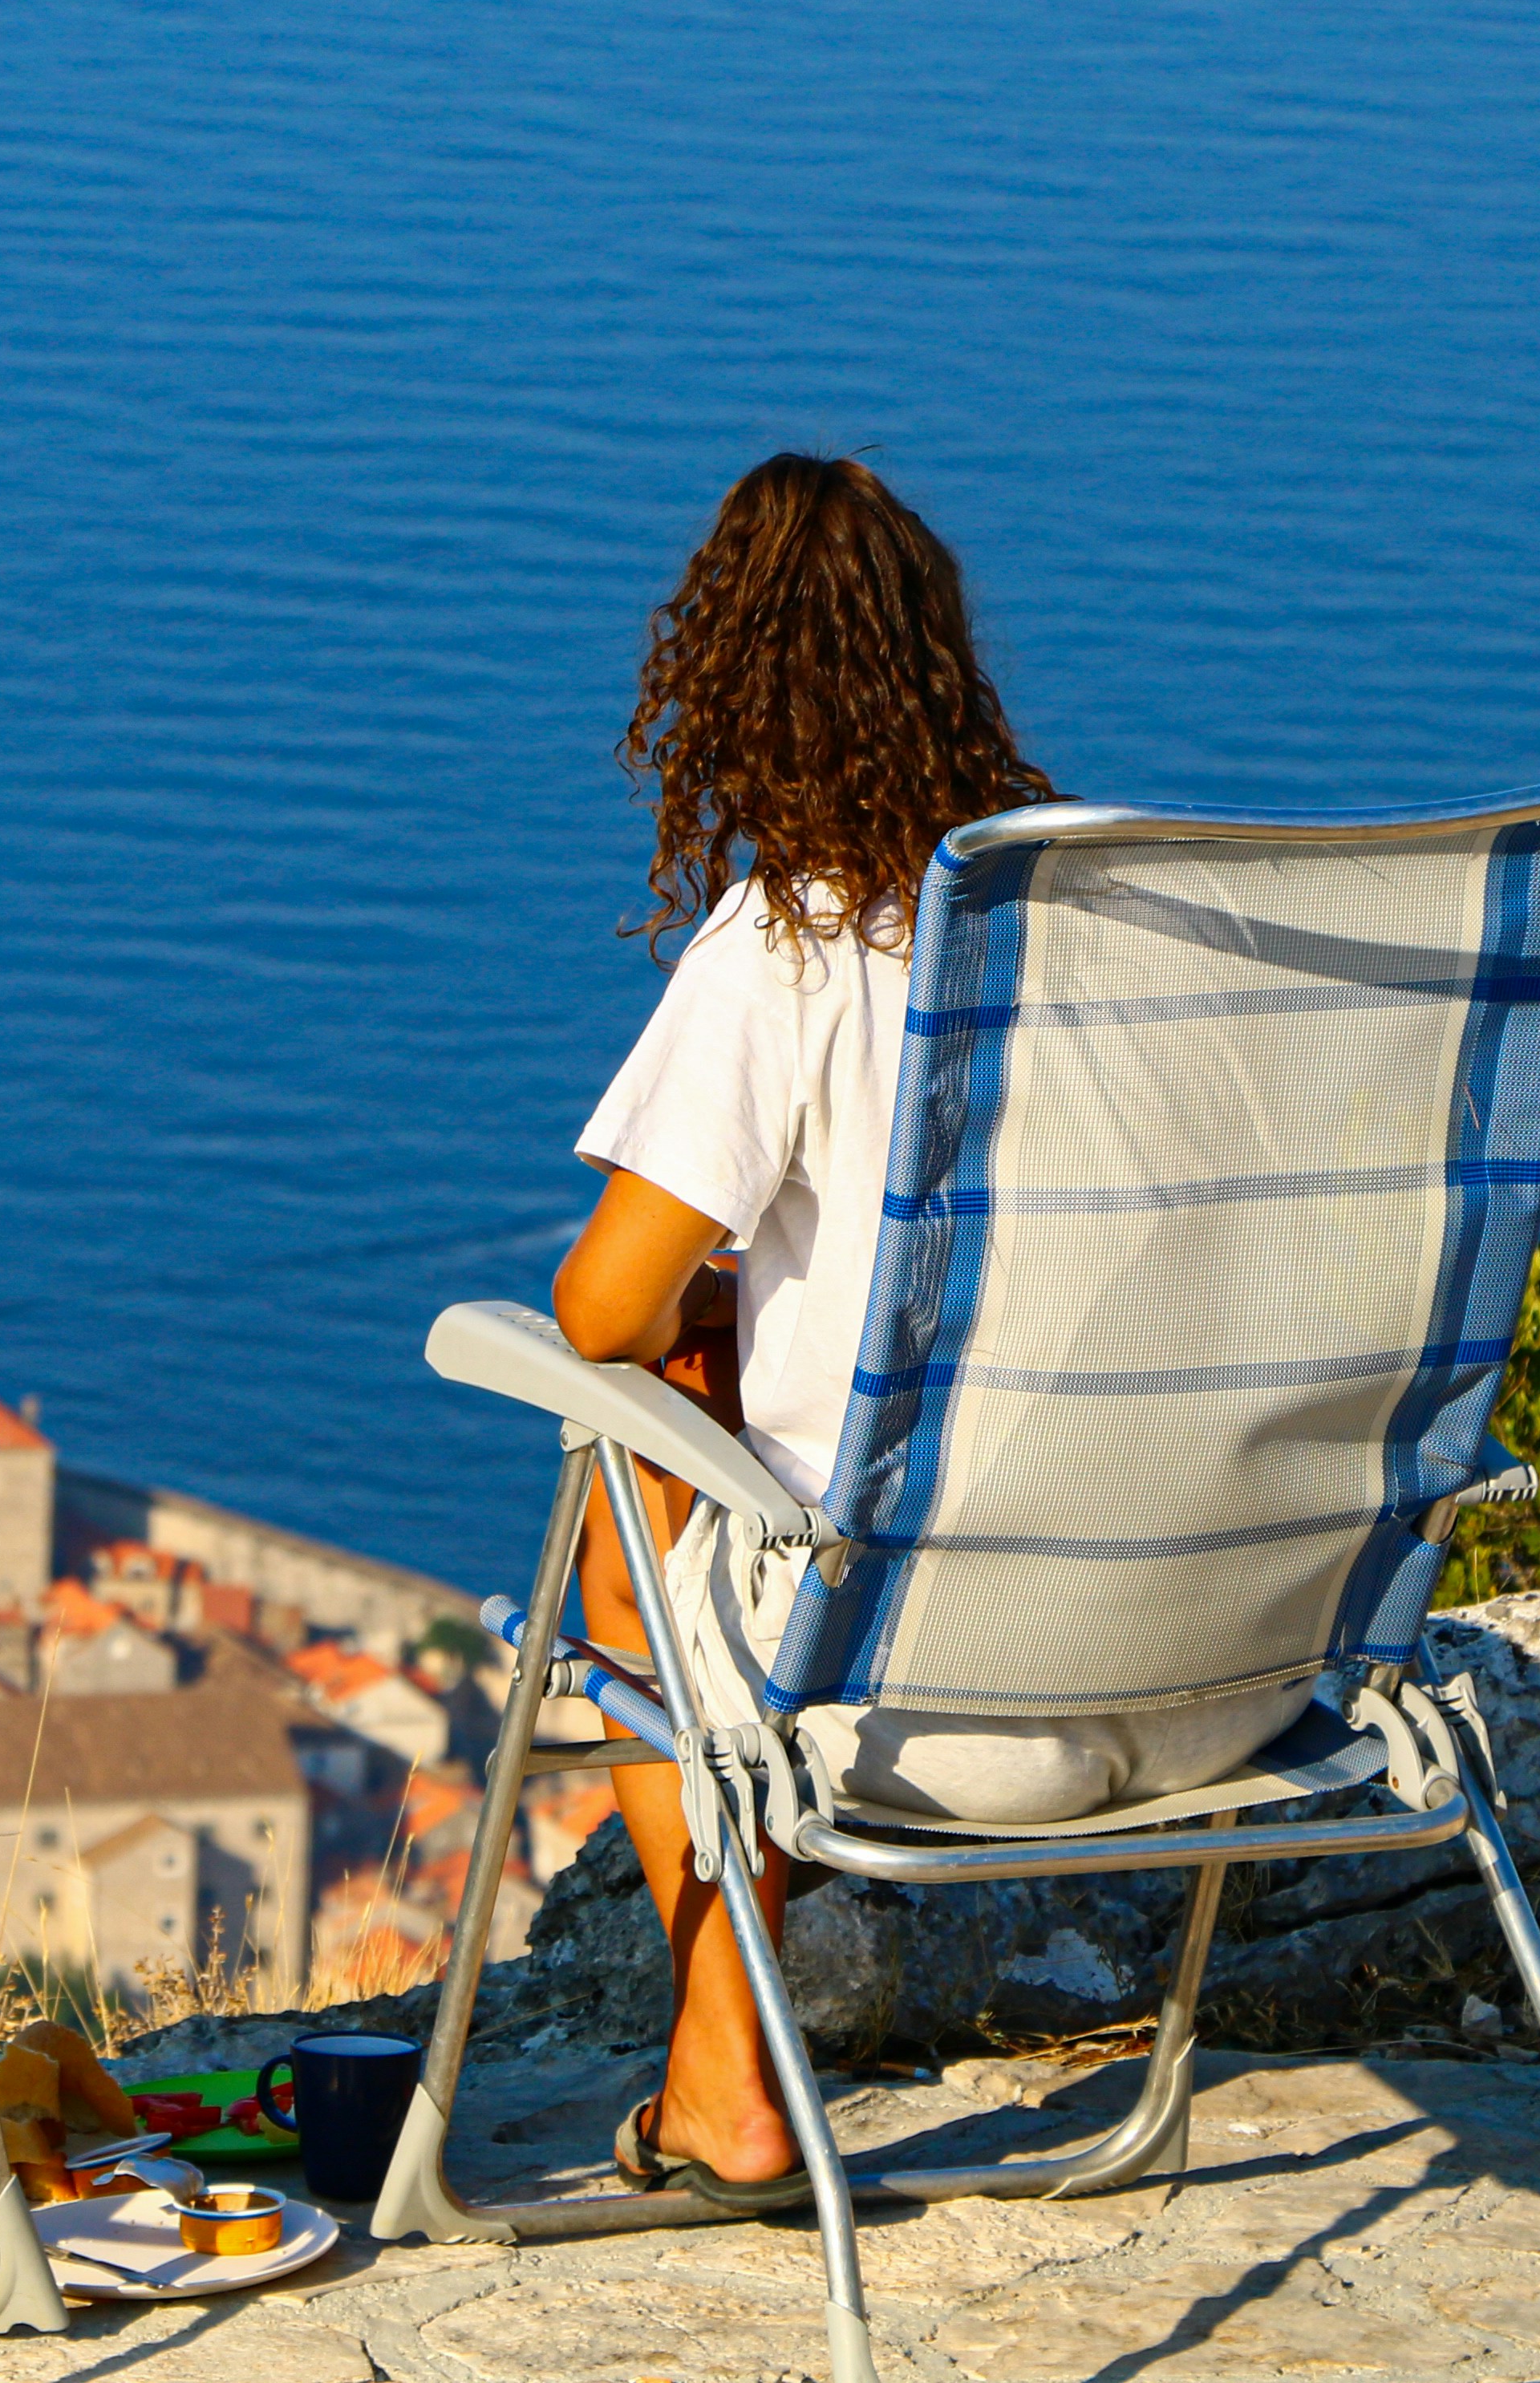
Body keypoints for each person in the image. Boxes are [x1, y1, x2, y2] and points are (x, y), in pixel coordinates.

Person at [545, 456, 1305, 2212]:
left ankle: (724, 2077)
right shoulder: (1119, 921)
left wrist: (708, 1327)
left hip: (920, 1709)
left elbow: (603, 1302)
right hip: (1229, 1671)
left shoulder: (794, 941)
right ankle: (721, 2074)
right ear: (946, 665)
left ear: (724, 690)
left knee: (629, 1439)